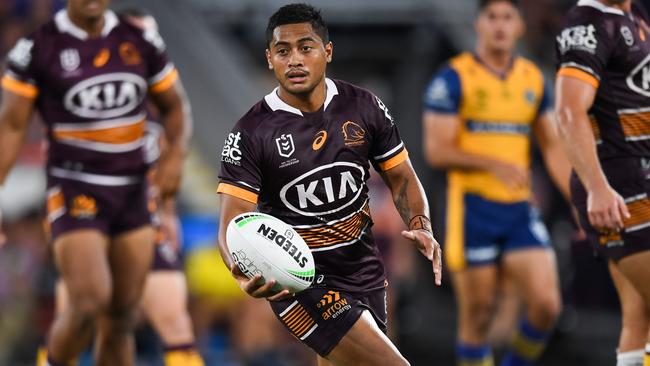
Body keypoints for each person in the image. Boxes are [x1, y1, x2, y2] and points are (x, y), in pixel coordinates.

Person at [216, 3, 442, 366]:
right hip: (302, 283)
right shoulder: (251, 132)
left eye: (306, 48)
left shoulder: (364, 106)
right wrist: (240, 270)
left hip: (366, 272)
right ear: (269, 59)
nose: (294, 60)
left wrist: (421, 224)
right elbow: (233, 222)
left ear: (327, 51)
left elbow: (402, 179)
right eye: (283, 51)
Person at [0, 0, 191, 364]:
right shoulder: (37, 47)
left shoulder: (140, 40)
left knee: (120, 319)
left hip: (134, 192)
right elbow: (11, 125)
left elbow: (175, 106)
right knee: (89, 302)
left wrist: (176, 157)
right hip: (76, 188)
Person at [423, 0, 569, 365]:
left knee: (547, 305)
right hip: (472, 208)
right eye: (492, 17)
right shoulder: (452, 78)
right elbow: (436, 150)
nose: (500, 26)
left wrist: (582, 200)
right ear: (478, 24)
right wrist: (491, 163)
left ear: (519, 26)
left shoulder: (532, 80)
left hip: (519, 209)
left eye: (508, 18)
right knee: (478, 316)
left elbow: (554, 148)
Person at [555, 1, 650, 365]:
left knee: (639, 315)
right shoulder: (588, 24)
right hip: (621, 188)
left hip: (637, 180)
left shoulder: (634, 14)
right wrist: (596, 187)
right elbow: (568, 111)